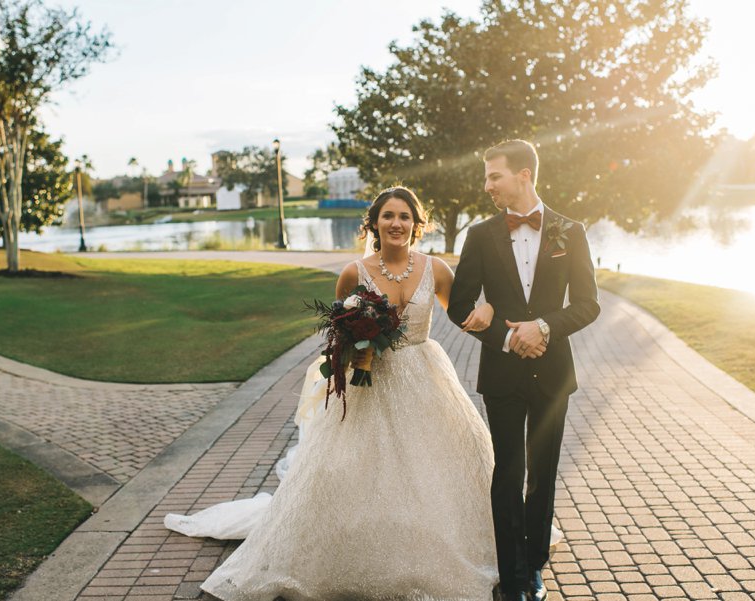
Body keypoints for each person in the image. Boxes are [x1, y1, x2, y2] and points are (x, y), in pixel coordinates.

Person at [167, 186, 501, 600]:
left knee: (442, 458)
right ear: (374, 224)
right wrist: (359, 346)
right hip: (369, 382)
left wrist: (488, 311)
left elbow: (464, 316)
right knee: (354, 466)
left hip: (424, 374)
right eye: (388, 216)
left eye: (405, 217)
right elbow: (339, 338)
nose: (397, 223)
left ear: (417, 224)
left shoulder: (437, 269)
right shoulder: (353, 273)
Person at [448, 140, 600, 601]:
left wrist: (545, 328)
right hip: (504, 373)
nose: (487, 185)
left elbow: (589, 304)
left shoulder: (569, 232)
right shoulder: (479, 235)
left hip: (554, 374)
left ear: (524, 175)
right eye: (487, 177)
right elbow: (458, 306)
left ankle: (534, 565)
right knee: (508, 473)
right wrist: (509, 337)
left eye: (495, 175)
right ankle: (512, 575)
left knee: (544, 473)